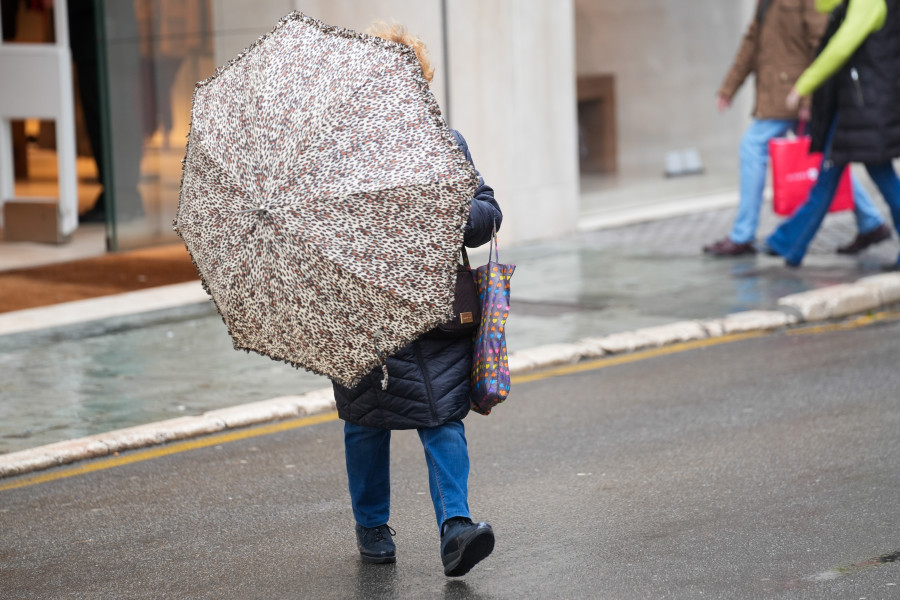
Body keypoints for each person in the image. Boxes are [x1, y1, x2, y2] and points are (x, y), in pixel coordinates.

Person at [330, 22, 501, 577]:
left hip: (436, 311)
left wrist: (449, 210)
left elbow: (487, 212)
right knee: (366, 421)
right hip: (367, 312)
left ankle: (456, 528)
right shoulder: (343, 156)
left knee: (443, 415)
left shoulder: (446, 145)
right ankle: (372, 524)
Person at [703, 0, 890, 257]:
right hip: (791, 93)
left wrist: (807, 95)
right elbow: (752, 42)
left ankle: (752, 236)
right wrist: (728, 88)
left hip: (801, 93)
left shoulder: (860, 4)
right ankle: (868, 222)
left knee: (758, 147)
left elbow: (828, 45)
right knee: (831, 163)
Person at [765, 0, 900, 268]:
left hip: (864, 110)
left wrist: (803, 86)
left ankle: (788, 243)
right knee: (839, 178)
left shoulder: (868, 2)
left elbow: (840, 48)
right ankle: (788, 243)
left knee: (856, 179)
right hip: (856, 109)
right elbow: (824, 6)